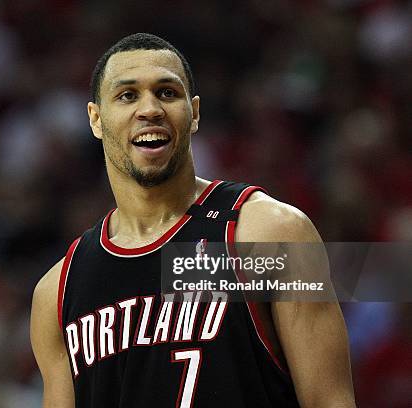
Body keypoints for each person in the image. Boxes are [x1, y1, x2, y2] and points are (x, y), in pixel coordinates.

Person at [30, 33, 355, 407]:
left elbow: (331, 401)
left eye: (167, 92)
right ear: (96, 119)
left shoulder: (268, 232)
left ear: (195, 112)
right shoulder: (57, 291)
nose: (150, 109)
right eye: (127, 95)